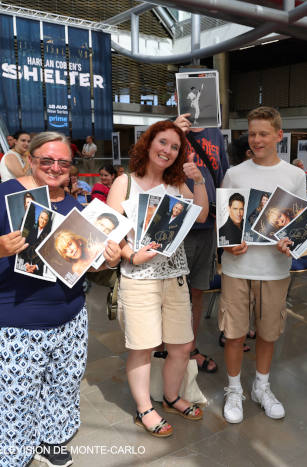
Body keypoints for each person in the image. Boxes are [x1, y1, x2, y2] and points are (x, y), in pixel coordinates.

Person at [0, 131, 121, 466]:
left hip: (67, 317)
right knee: (12, 400)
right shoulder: (5, 196)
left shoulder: (76, 206)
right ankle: (13, 459)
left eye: (63, 162)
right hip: (10, 320)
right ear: (31, 159)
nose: (55, 167)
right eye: (47, 160)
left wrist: (108, 258)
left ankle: (51, 442)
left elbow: (82, 267)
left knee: (61, 388)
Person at [106, 119, 209, 438]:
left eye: (175, 147)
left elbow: (202, 216)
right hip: (138, 278)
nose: (167, 150)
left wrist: (199, 181)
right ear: (149, 144)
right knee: (142, 347)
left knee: (182, 346)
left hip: (175, 276)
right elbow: (109, 228)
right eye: (162, 142)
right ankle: (144, 408)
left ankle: (171, 396)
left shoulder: (176, 184)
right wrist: (130, 255)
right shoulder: (125, 182)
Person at [220, 106, 306, 424]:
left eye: (263, 134)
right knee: (234, 334)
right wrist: (229, 241)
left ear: (278, 136)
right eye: (252, 133)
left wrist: (289, 242)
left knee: (269, 333)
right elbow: (226, 222)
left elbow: (296, 226)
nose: (256, 139)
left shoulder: (295, 176)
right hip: (237, 266)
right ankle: (233, 389)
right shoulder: (235, 174)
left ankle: (261, 387)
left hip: (274, 268)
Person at [173, 113, 230, 373]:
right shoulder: (169, 131)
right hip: (176, 225)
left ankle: (190, 348)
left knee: (197, 291)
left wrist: (228, 226)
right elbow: (151, 166)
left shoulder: (215, 135)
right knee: (173, 294)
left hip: (206, 225)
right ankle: (171, 351)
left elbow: (223, 178)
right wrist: (174, 133)